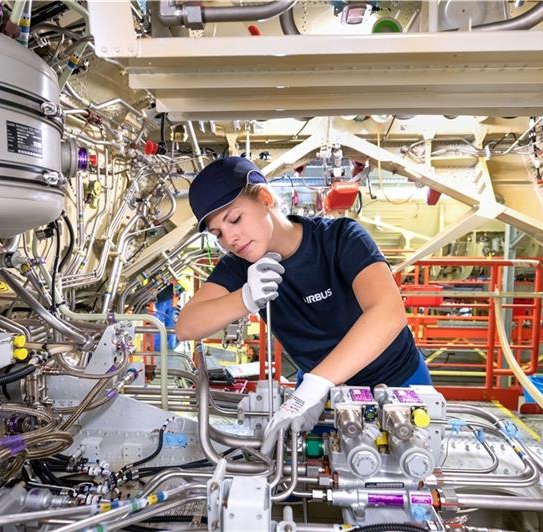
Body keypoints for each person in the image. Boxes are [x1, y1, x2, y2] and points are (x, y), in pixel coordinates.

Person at [175, 156, 431, 455]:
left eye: (234, 219)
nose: (230, 238)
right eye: (217, 233)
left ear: (266, 199)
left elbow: (387, 313)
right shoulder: (240, 267)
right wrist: (245, 296)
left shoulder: (339, 239)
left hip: (397, 382)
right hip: (319, 395)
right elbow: (186, 326)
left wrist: (315, 385)